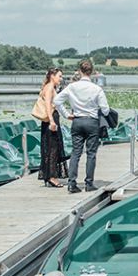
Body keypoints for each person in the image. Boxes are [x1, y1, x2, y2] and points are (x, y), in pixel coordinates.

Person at [54, 60, 110, 193]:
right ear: (92, 72)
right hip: (92, 122)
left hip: (77, 121)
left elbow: (56, 101)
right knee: (91, 154)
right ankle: (89, 183)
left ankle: (72, 183)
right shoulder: (97, 89)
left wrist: (66, 114)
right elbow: (106, 110)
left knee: (75, 153)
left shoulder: (72, 87)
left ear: (80, 71)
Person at [38, 67, 67, 188]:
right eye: (59, 76)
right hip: (51, 120)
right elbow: (48, 106)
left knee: (51, 147)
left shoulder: (49, 87)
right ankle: (52, 177)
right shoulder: (49, 88)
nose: (61, 79)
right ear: (52, 76)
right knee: (52, 148)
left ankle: (49, 176)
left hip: (52, 120)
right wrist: (51, 121)